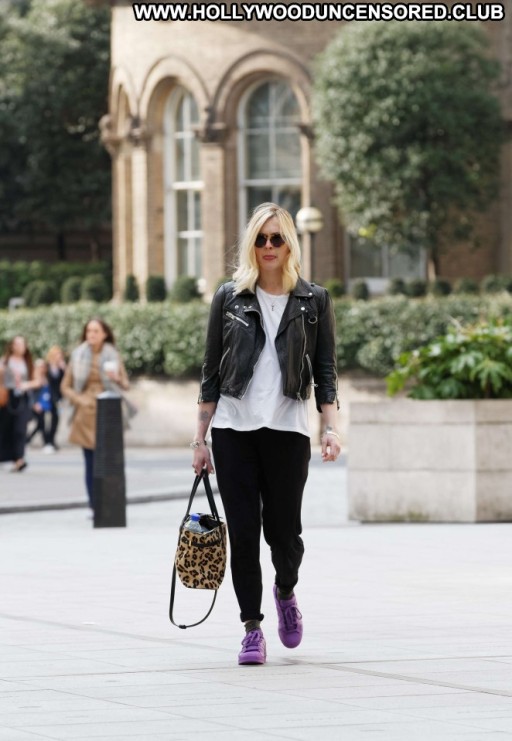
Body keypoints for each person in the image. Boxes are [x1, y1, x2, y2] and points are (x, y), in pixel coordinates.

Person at [192, 202, 340, 666]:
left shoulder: (314, 300)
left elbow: (325, 369)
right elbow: (211, 370)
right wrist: (200, 439)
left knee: (285, 533)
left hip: (287, 429)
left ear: (290, 243)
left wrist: (330, 428)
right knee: (244, 533)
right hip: (233, 429)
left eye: (277, 238)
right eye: (260, 239)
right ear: (251, 245)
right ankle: (251, 629)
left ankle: (286, 591)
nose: (269, 246)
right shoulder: (229, 298)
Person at [61, 318, 129, 510]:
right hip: (85, 413)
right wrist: (79, 399)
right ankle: (94, 505)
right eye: (89, 330)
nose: (91, 334)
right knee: (90, 461)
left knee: (109, 462)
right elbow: (65, 386)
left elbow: (126, 385)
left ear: (104, 334)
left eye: (96, 331)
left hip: (109, 409)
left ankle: (109, 504)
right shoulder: (78, 355)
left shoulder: (112, 354)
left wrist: (117, 379)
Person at [0, 335, 42, 472]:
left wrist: (26, 385)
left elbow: (37, 381)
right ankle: (7, 457)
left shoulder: (28, 363)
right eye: (17, 344)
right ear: (12, 346)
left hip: (23, 398)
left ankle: (19, 459)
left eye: (22, 344)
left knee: (20, 429)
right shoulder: (4, 361)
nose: (20, 347)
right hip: (7, 398)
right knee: (6, 428)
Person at [26, 359, 53, 450]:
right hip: (37, 405)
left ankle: (27, 439)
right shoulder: (34, 377)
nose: (43, 368)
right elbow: (31, 393)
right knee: (41, 424)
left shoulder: (45, 377)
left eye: (44, 366)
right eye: (41, 366)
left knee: (40, 424)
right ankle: (46, 443)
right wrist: (35, 404)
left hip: (44, 404)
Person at [45, 345, 67, 451]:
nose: (59, 356)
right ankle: (48, 441)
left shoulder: (61, 367)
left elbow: (66, 381)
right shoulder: (47, 366)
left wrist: (64, 369)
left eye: (60, 355)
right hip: (48, 397)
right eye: (57, 354)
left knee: (56, 419)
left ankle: (51, 440)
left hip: (58, 397)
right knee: (43, 420)